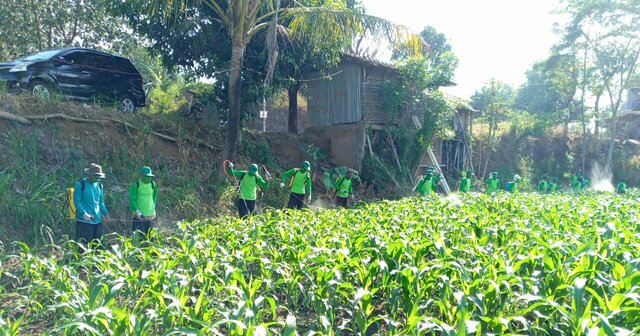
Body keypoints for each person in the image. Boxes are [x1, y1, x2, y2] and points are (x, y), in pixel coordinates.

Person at [73, 163, 109, 249]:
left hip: (97, 220)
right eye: (96, 176)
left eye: (99, 177)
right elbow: (77, 201)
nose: (98, 179)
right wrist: (83, 213)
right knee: (83, 247)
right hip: (84, 221)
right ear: (90, 175)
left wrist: (105, 213)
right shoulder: (80, 185)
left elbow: (100, 202)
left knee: (97, 246)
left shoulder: (100, 186)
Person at [129, 166, 158, 238]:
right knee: (140, 237)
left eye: (150, 176)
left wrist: (153, 207)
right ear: (142, 176)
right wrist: (136, 211)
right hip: (140, 216)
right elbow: (132, 199)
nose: (149, 178)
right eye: (147, 176)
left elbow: (154, 196)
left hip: (150, 216)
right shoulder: (136, 185)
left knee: (151, 237)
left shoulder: (153, 184)